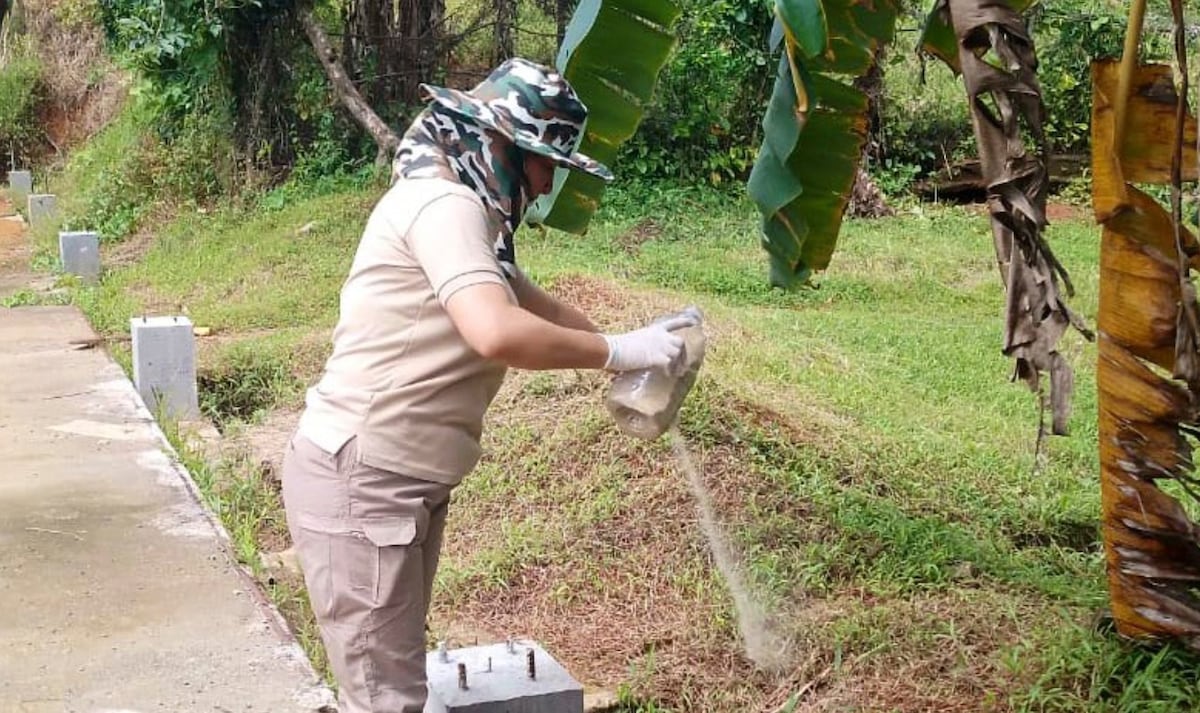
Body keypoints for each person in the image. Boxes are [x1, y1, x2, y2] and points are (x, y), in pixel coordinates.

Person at [281, 58, 696, 713]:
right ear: (498, 146)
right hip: (366, 480)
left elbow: (536, 307)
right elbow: (496, 330)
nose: (548, 182)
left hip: (394, 480)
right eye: (543, 162)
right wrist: (618, 350)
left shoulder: (470, 218)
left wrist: (630, 349)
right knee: (385, 701)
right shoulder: (444, 206)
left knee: (393, 688)